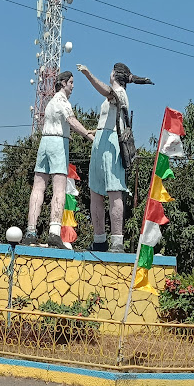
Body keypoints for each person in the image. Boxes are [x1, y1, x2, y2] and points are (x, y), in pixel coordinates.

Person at [77, 62, 154, 252]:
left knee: (114, 190)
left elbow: (105, 91)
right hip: (100, 141)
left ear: (114, 75)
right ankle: (99, 240)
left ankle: (117, 241)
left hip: (112, 142)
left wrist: (88, 74)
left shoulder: (119, 93)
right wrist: (96, 131)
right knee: (95, 191)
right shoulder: (115, 94)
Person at [23, 71, 94, 248]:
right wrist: (87, 134)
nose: (73, 86)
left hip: (44, 143)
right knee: (59, 188)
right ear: (62, 83)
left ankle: (31, 231)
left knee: (38, 187)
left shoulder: (49, 103)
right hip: (58, 143)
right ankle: (54, 232)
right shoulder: (63, 101)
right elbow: (71, 120)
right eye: (70, 82)